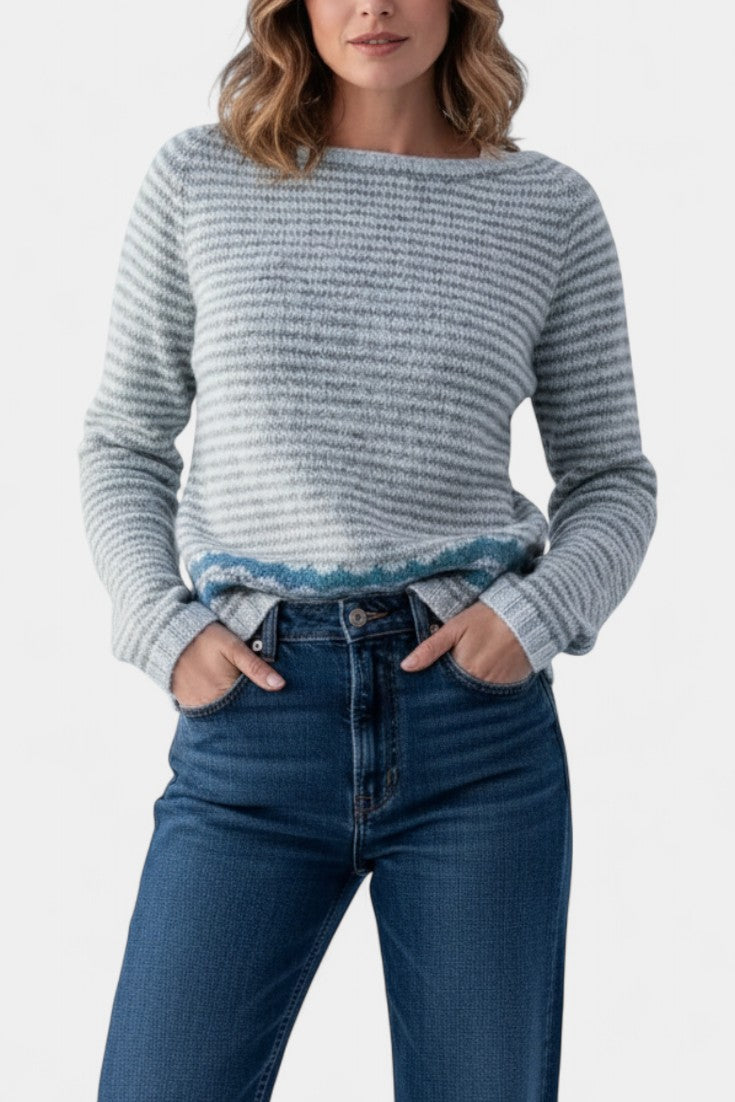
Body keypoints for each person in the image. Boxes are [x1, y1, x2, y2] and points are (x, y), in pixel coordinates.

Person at [78, 0, 658, 1097]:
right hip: (253, 726)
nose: (374, 7)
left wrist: (534, 618)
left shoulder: (546, 208)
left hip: (475, 737)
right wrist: (161, 625)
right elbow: (123, 441)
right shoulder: (200, 180)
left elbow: (612, 478)